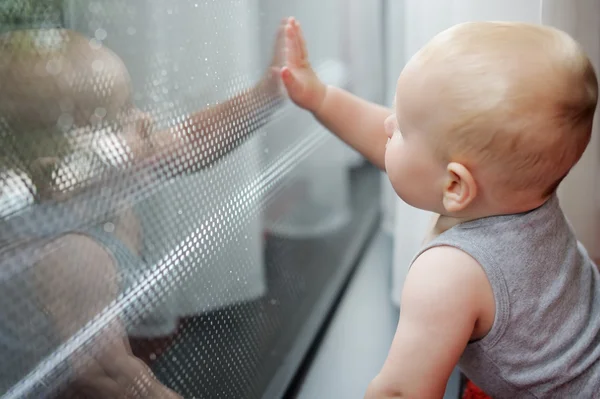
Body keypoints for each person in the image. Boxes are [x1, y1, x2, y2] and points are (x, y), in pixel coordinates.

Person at [281, 17, 600, 398]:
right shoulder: (524, 190)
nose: (386, 125)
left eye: (399, 128)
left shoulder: (447, 274)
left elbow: (402, 392)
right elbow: (410, 154)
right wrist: (321, 97)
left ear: (454, 184)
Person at [0, 24, 283, 398]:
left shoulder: (105, 176)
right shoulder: (73, 259)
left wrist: (267, 94)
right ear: (60, 172)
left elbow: (193, 139)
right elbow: (110, 378)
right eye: (120, 119)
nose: (145, 119)